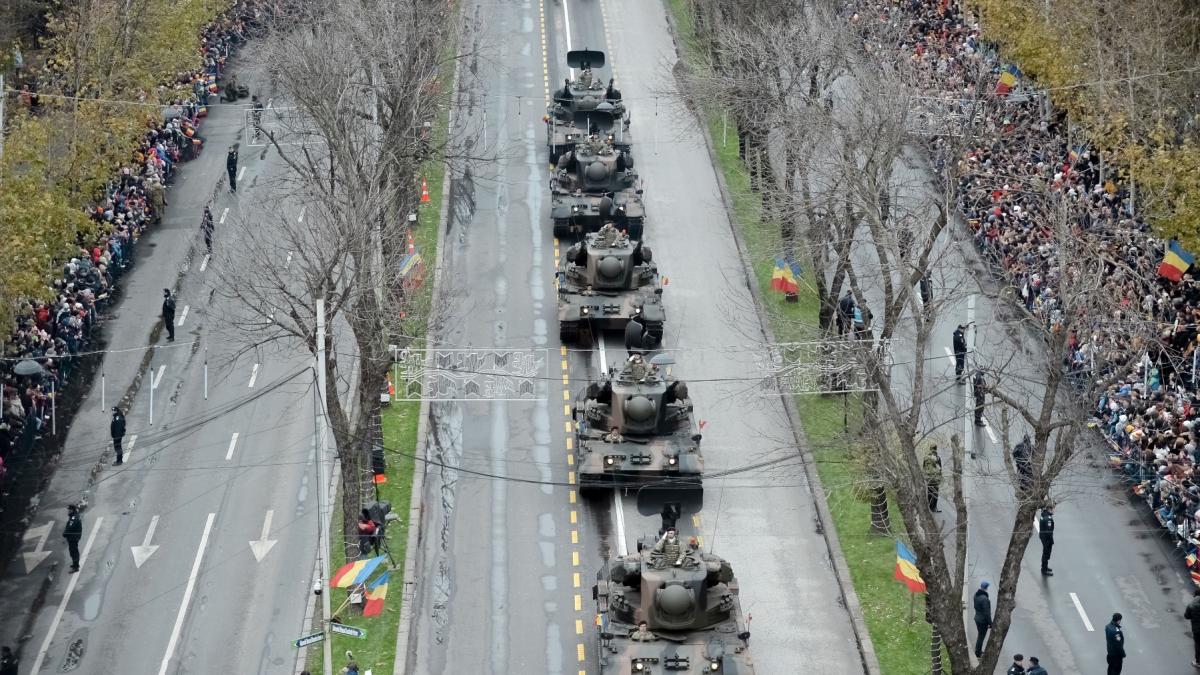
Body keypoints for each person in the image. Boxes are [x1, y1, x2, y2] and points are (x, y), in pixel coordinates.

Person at [974, 581, 992, 658]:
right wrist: (990, 623)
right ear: (986, 588)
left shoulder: (976, 595)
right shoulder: (984, 599)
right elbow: (986, 613)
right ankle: (978, 652)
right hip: (982, 621)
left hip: (977, 618)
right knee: (981, 637)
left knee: (980, 635)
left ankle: (978, 650)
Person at [63, 504, 82, 573]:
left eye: (68, 510)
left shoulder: (74, 518)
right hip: (73, 537)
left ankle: (76, 567)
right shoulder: (73, 516)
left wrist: (65, 534)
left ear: (72, 510)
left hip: (73, 537)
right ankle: (75, 564)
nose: (67, 511)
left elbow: (70, 528)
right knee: (72, 551)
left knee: (74, 552)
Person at [923, 445, 943, 513]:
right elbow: (940, 469)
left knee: (929, 492)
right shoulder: (937, 458)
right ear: (936, 449)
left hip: (928, 478)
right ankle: (934, 508)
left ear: (930, 449)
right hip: (935, 478)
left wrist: (925, 476)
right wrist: (940, 478)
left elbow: (924, 468)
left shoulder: (926, 458)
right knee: (935, 493)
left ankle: (929, 507)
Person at [1185, 588, 1200, 668]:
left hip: (1197, 630)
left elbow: (1186, 616)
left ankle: (1198, 662)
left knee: (1198, 645)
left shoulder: (1191, 605)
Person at [1038, 504, 1055, 576]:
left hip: (1043, 535)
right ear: (1049, 509)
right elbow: (1049, 531)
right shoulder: (1048, 518)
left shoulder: (1044, 514)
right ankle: (1044, 570)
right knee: (1046, 553)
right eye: (1053, 509)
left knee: (1045, 552)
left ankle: (1045, 567)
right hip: (1046, 537)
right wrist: (1051, 540)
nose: (1054, 510)